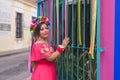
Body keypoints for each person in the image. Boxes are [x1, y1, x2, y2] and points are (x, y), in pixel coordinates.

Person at [29, 16, 70, 80]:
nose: (45, 30)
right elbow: (50, 58)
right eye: (42, 29)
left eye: (46, 28)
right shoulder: (39, 44)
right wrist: (61, 47)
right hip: (44, 72)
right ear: (37, 32)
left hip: (48, 70)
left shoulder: (44, 43)